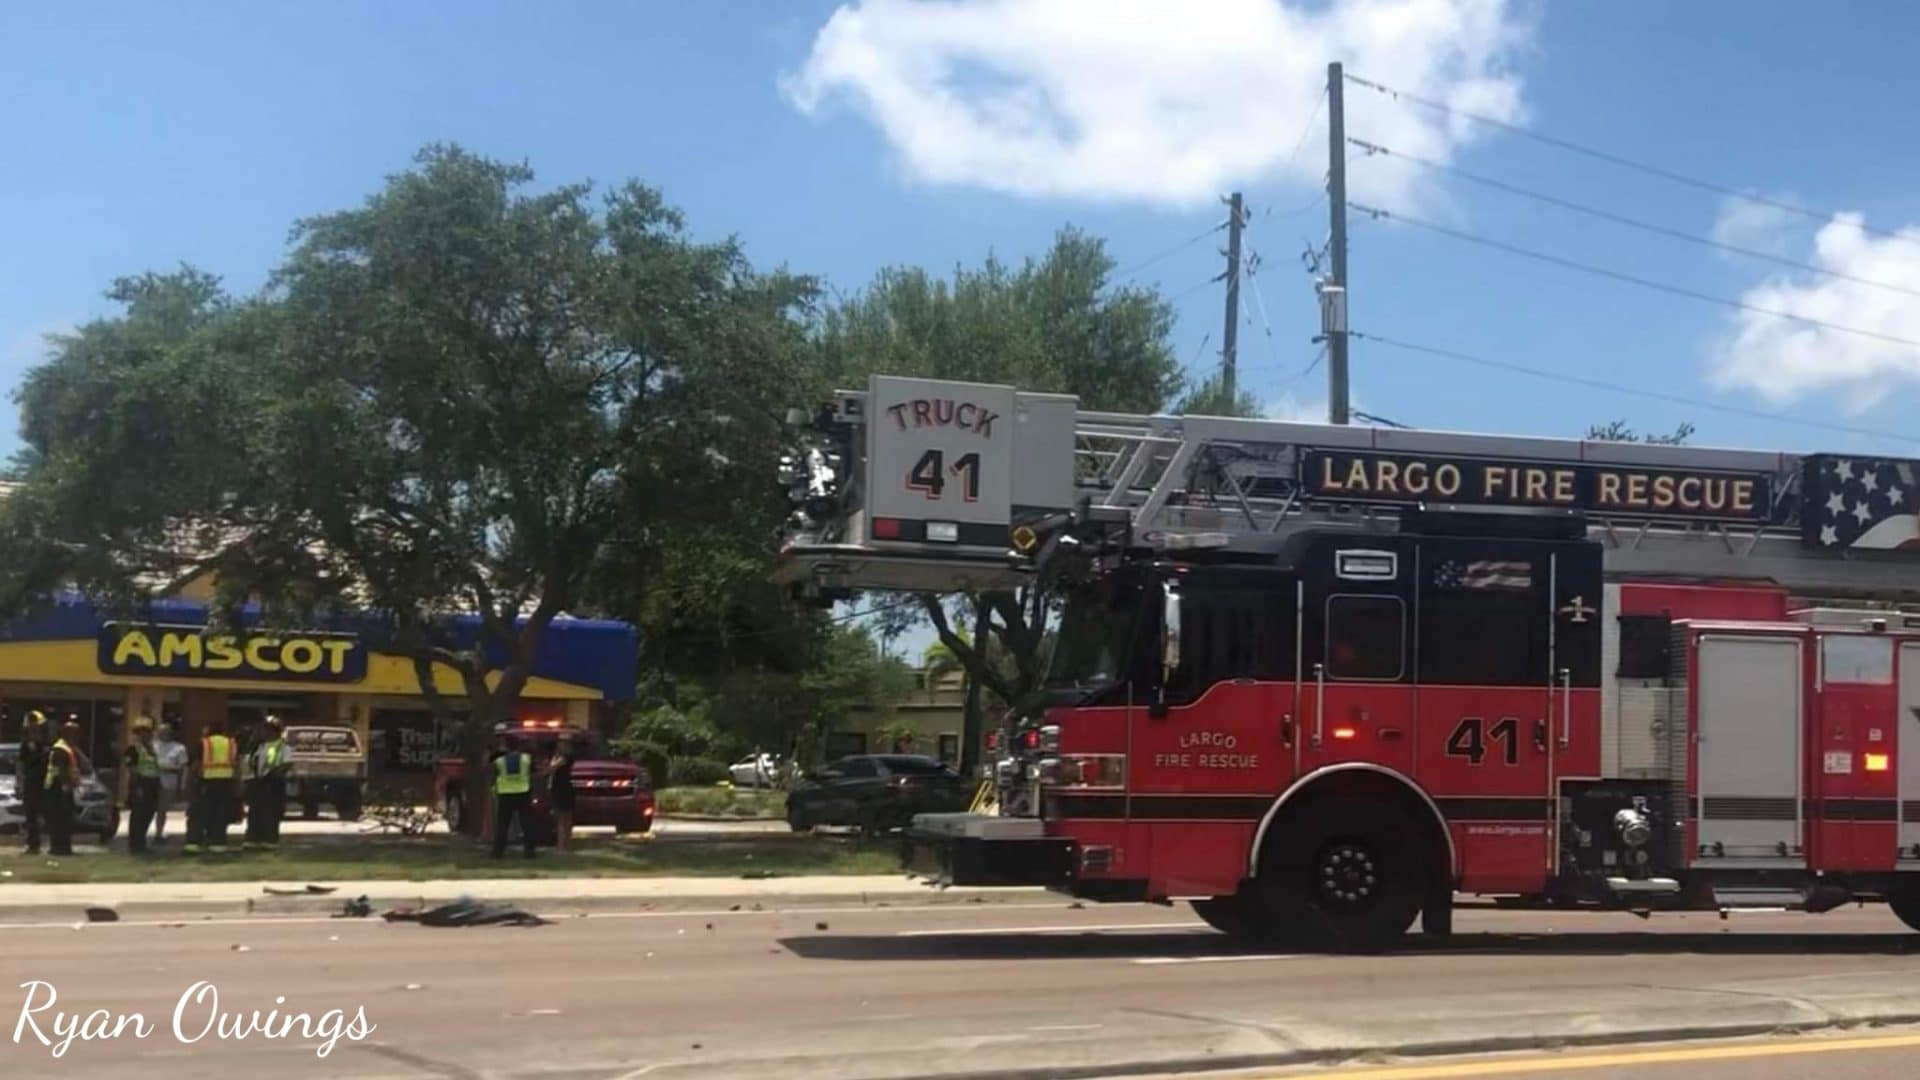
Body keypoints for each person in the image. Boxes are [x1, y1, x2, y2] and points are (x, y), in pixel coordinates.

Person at [187, 719, 237, 854]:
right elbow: (235, 764)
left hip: (206, 782)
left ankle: (194, 844)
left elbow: (196, 764)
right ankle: (218, 844)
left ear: (209, 730)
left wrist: (190, 781)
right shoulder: (230, 743)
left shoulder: (204, 743)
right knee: (220, 814)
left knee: (198, 813)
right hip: (226, 783)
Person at [489, 733, 536, 859]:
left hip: (505, 794)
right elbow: (533, 773)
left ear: (506, 746)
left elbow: (494, 775)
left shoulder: (499, 761)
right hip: (523, 793)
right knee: (527, 824)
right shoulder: (527, 759)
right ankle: (529, 852)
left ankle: (498, 852)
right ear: (519, 745)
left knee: (502, 825)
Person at [245, 717, 289, 849]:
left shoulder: (283, 747)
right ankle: (253, 838)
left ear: (274, 731)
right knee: (255, 811)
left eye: (266, 729)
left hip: (273, 783)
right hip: (258, 782)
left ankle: (270, 840)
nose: (263, 732)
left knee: (271, 812)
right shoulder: (260, 746)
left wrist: (272, 774)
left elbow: (287, 764)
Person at [43, 720, 83, 857]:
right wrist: (67, 785)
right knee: (60, 819)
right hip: (57, 787)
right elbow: (62, 770)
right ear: (67, 733)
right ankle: (59, 848)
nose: (77, 736)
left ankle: (64, 847)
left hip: (62, 787)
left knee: (65, 818)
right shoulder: (60, 748)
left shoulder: (68, 747)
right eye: (74, 733)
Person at [123, 717, 161, 855]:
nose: (146, 735)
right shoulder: (133, 749)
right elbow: (131, 769)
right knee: (138, 815)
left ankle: (142, 843)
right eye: (142, 732)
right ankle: (135, 845)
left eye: (148, 732)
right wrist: (137, 787)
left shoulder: (153, 748)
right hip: (140, 783)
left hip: (153, 783)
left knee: (148, 813)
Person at [15, 710, 50, 855]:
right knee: (31, 814)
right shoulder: (26, 744)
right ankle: (33, 843)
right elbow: (20, 764)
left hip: (41, 782)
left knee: (39, 814)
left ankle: (37, 842)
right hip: (30, 782)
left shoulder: (43, 744)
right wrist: (19, 782)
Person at [153, 719, 188, 846]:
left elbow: (183, 768)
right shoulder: (152, 746)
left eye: (165, 731)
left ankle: (158, 834)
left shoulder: (179, 748)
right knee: (148, 810)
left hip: (169, 782)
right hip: (152, 781)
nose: (162, 734)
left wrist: (181, 786)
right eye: (160, 731)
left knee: (162, 810)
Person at [548, 733, 576, 852]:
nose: (560, 744)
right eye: (559, 742)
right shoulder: (557, 755)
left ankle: (564, 845)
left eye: (563, 742)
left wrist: (545, 770)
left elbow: (553, 768)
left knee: (564, 818)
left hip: (564, 788)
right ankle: (562, 845)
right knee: (560, 818)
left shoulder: (567, 756)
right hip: (556, 787)